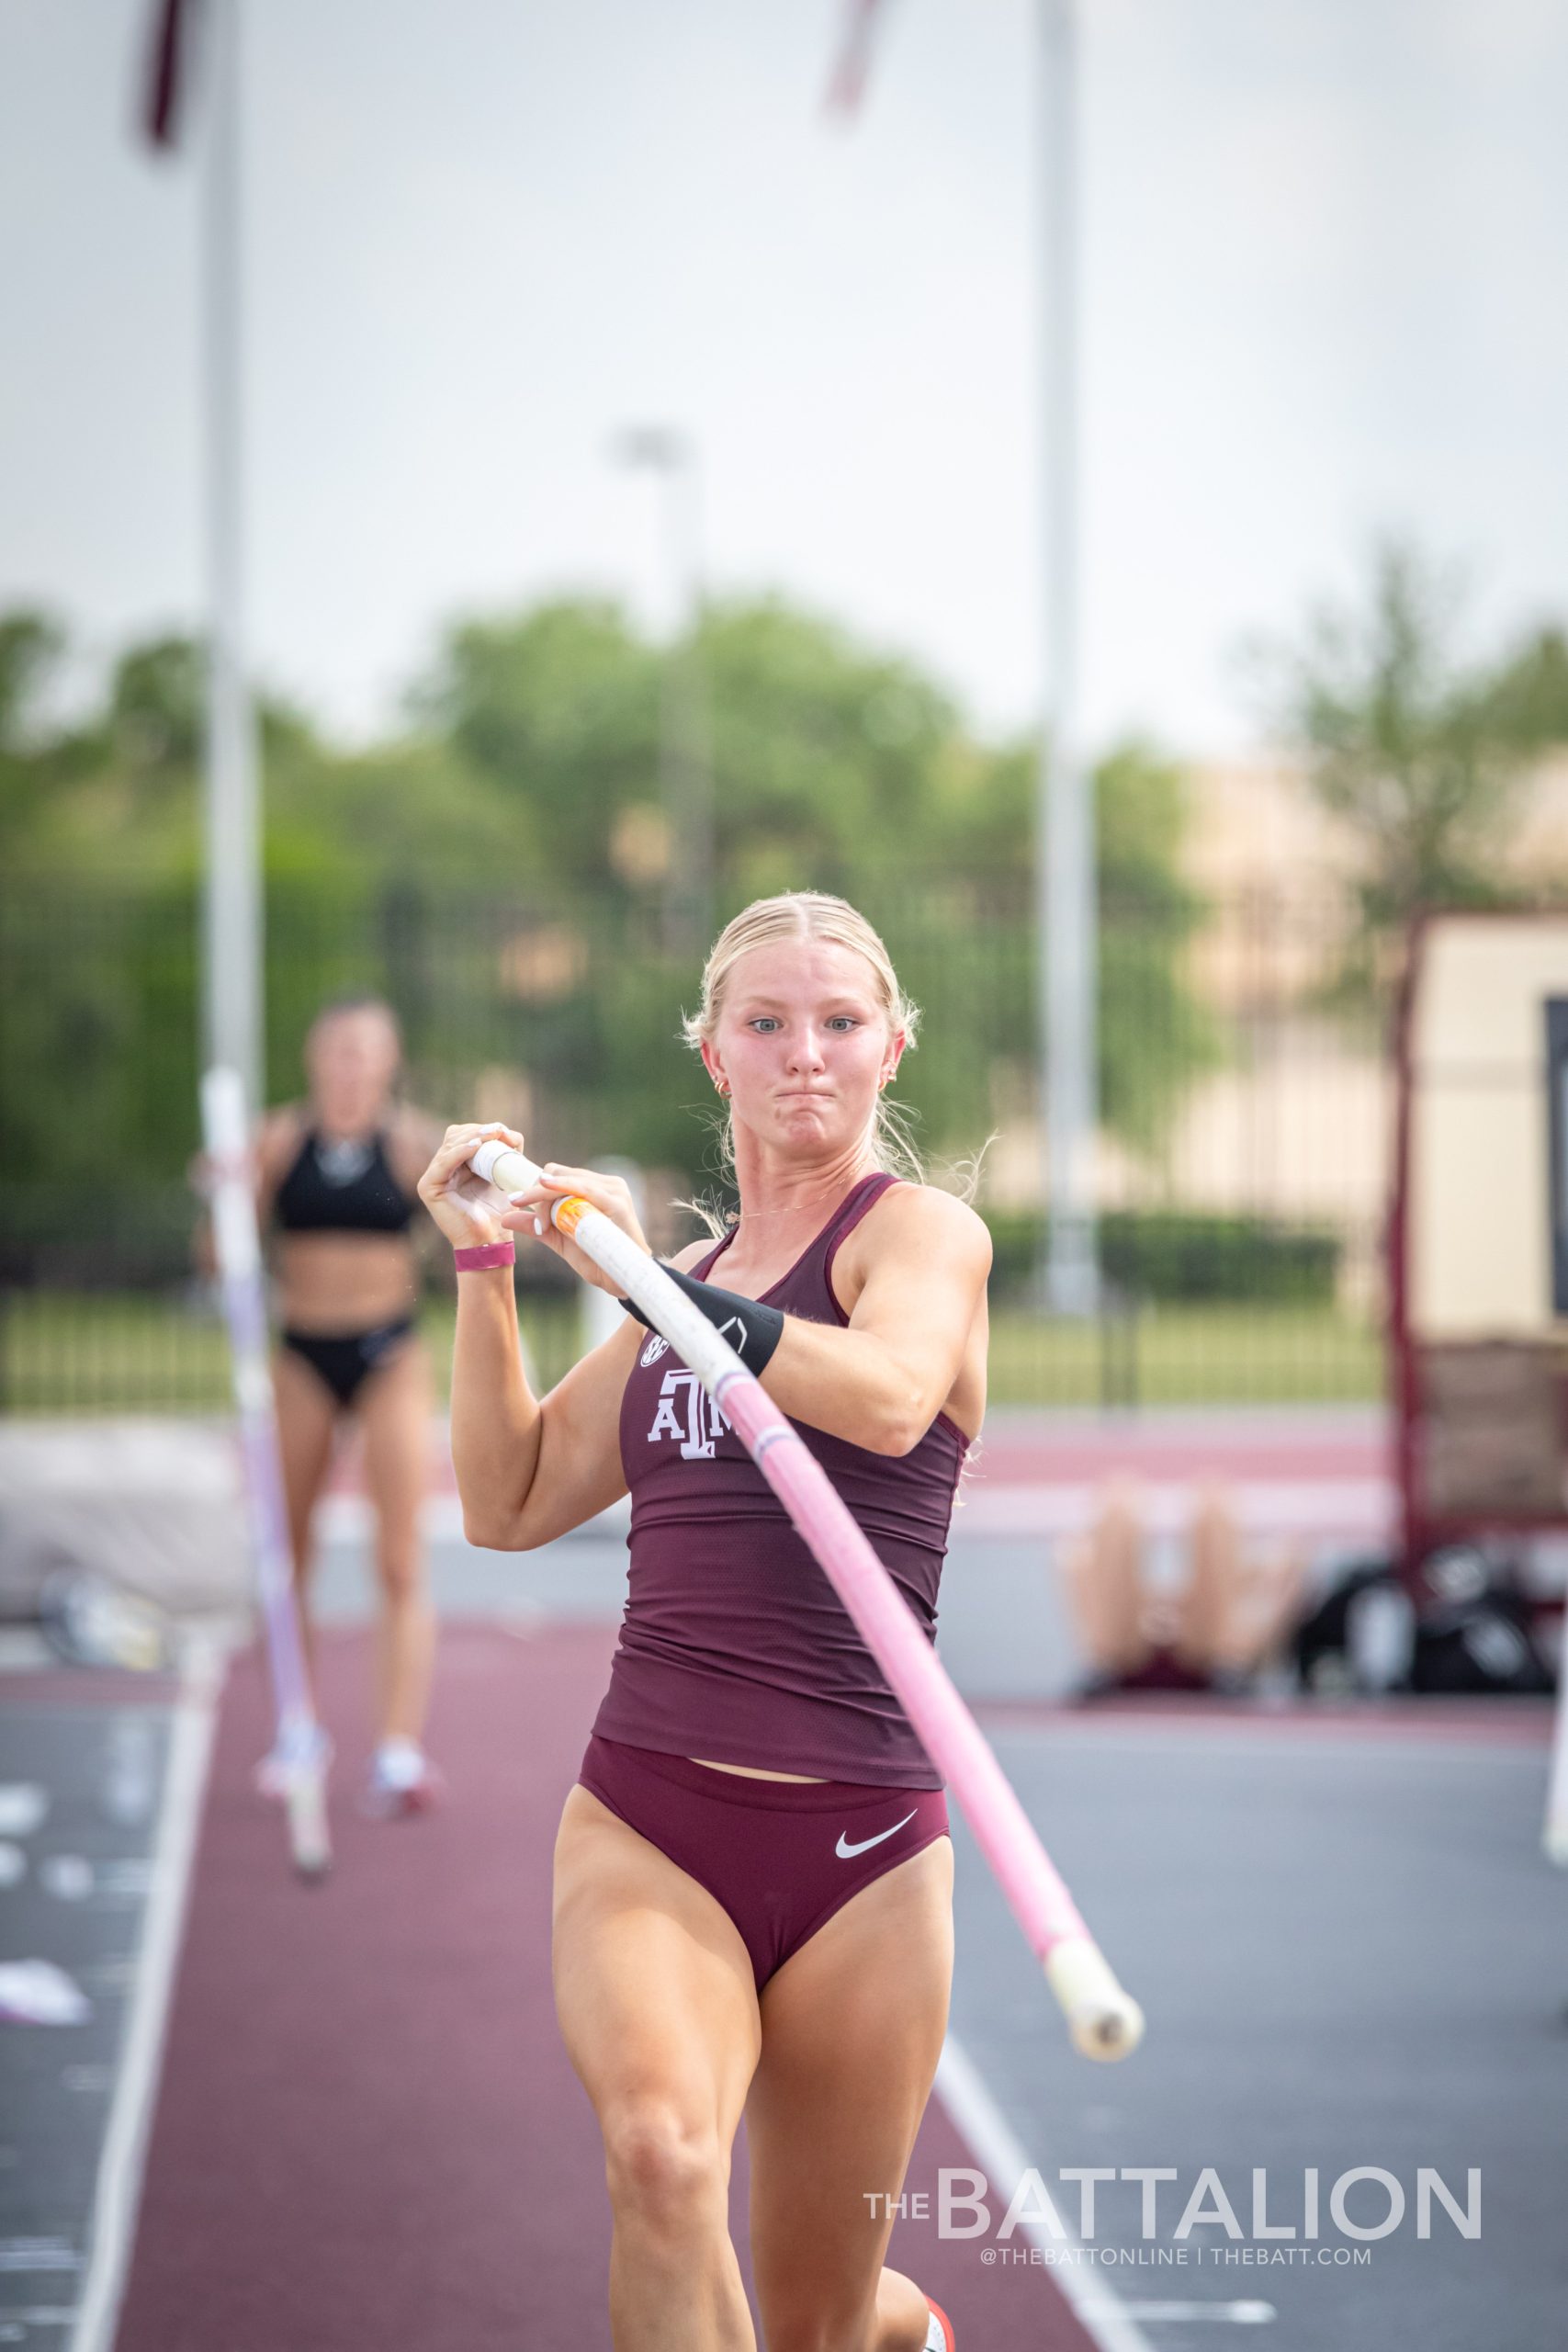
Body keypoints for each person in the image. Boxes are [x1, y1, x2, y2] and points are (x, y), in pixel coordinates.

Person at [418, 892, 989, 2352]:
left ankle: (898, 2333)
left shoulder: (913, 1236)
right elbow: (513, 1496)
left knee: (814, 2323)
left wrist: (641, 1277)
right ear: (712, 1055)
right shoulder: (686, 1291)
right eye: (766, 1022)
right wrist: (486, 1267)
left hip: (866, 1855)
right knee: (663, 2162)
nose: (806, 1053)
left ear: (890, 1050)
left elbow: (886, 1394)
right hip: (651, 1820)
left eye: (839, 1023)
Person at [249, 995, 446, 1816]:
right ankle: (298, 1729)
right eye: (337, 1052)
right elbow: (216, 1251)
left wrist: (468, 1178)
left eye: (366, 1053)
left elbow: (473, 1227)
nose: (350, 1068)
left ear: (388, 1062)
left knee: (397, 1559)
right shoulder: (275, 1142)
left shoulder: (408, 1147)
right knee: (286, 1557)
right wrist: (219, 1194)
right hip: (302, 1356)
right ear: (314, 1058)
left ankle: (397, 1751)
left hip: (388, 1354)